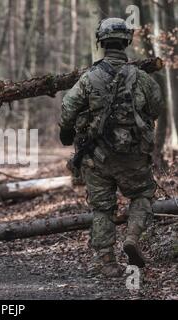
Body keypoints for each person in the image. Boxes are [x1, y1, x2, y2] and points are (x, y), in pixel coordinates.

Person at [59, 18, 163, 277]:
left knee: (102, 208)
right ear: (126, 42)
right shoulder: (141, 78)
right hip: (133, 156)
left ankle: (107, 262)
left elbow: (67, 110)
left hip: (98, 156)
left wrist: (66, 132)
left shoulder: (88, 78)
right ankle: (132, 238)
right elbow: (157, 108)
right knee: (141, 195)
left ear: (101, 43)